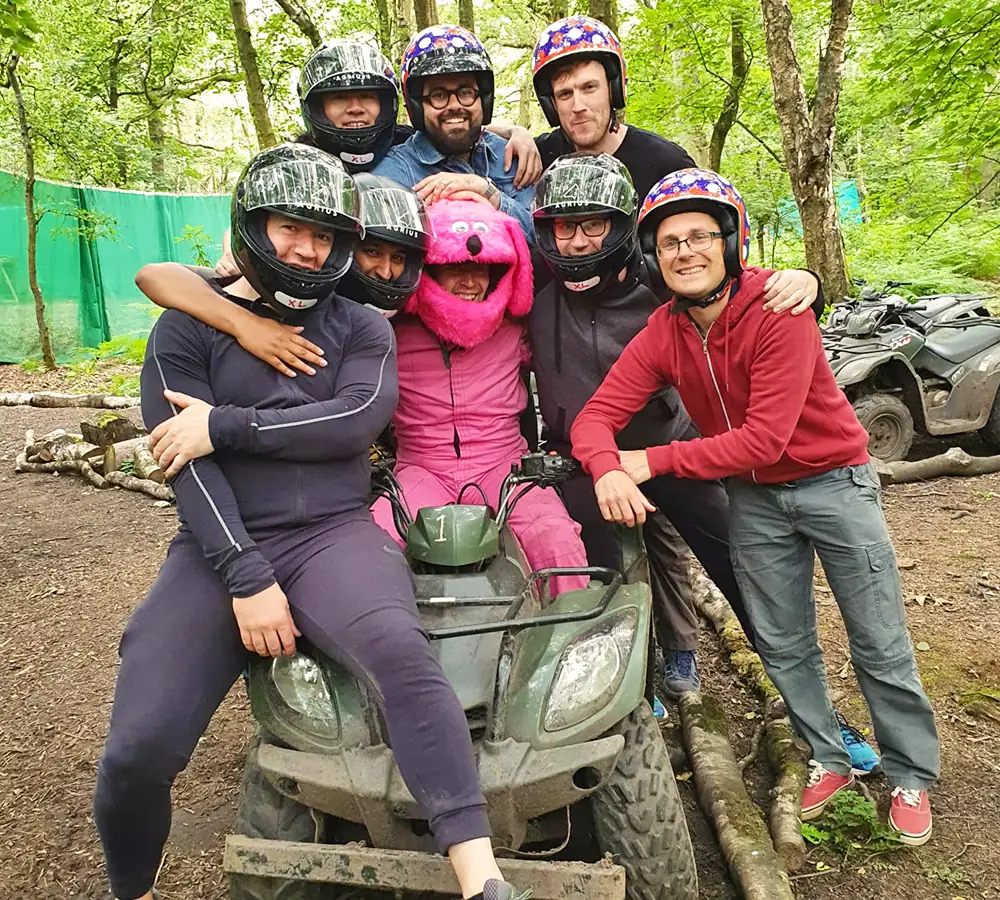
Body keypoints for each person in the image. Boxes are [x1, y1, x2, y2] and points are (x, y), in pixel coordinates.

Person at [95, 142, 529, 900]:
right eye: (288, 226)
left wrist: (227, 424)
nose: (305, 246)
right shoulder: (185, 328)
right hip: (217, 545)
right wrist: (247, 577)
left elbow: (354, 421)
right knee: (137, 748)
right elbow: (184, 465)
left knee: (402, 655)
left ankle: (480, 876)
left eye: (323, 233)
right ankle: (128, 884)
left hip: (333, 532)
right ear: (252, 225)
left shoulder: (361, 325)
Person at [570, 167, 940, 845]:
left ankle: (911, 770)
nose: (686, 252)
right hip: (756, 498)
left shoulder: (778, 307)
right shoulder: (664, 331)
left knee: (877, 636)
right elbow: (594, 418)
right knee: (781, 638)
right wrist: (604, 469)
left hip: (834, 481)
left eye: (700, 236)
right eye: (670, 242)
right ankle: (825, 754)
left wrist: (649, 461)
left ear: (730, 242)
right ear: (655, 256)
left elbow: (764, 438)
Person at [370, 197, 590, 597]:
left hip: (504, 465)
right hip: (421, 468)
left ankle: (568, 652)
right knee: (371, 549)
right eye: (454, 268)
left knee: (557, 541)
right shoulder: (393, 330)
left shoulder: (515, 327)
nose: (470, 281)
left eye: (481, 268)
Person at [216, 39, 540, 276]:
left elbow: (544, 238)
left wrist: (513, 136)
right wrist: (239, 235)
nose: (355, 108)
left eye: (367, 97)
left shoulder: (504, 152)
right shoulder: (315, 165)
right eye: (339, 97)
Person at [374, 26, 537, 239]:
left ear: (483, 99)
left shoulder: (511, 155)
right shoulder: (393, 174)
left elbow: (545, 240)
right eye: (438, 95)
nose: (454, 105)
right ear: (417, 107)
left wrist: (488, 194)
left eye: (465, 92)